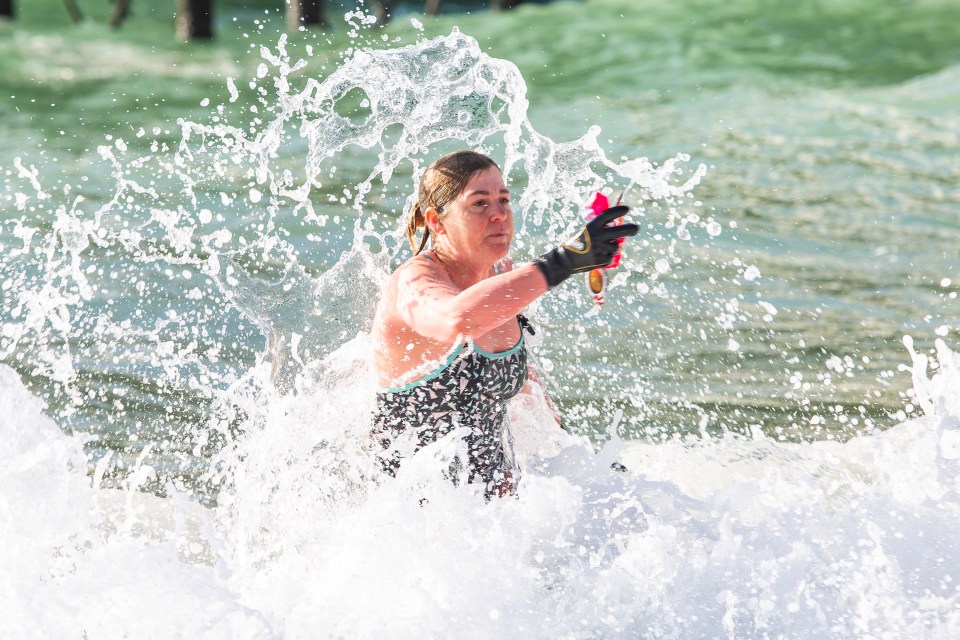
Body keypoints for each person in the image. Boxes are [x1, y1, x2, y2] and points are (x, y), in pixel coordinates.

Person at [370, 150, 637, 497]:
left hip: (499, 521)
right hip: (412, 524)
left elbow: (526, 388)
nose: (499, 215)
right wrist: (563, 262)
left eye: (504, 200)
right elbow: (457, 319)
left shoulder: (499, 273)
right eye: (479, 203)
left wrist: (582, 459)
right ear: (437, 221)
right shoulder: (412, 283)